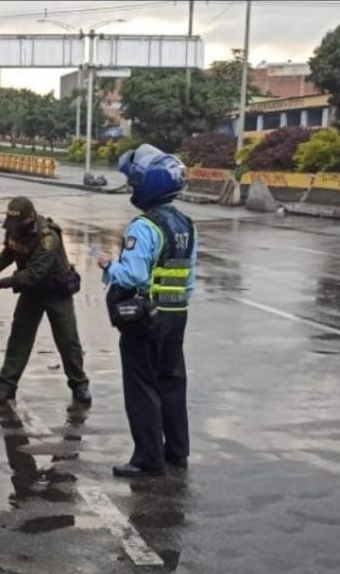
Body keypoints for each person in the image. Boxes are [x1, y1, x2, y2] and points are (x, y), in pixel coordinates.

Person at [97, 144, 197, 479]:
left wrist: (108, 264)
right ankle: (177, 452)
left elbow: (134, 275)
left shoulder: (144, 226)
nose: (133, 187)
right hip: (176, 313)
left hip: (145, 316)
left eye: (136, 181)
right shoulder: (185, 223)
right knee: (172, 382)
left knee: (142, 387)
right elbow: (190, 276)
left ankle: (148, 459)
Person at [0, 196, 91, 406]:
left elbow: (35, 273)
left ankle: (79, 385)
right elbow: (8, 254)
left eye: (19, 223)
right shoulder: (14, 229)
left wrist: (1, 283)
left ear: (31, 217)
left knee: (68, 340)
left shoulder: (48, 236)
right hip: (31, 292)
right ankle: (6, 387)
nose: (15, 229)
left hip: (56, 290)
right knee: (19, 338)